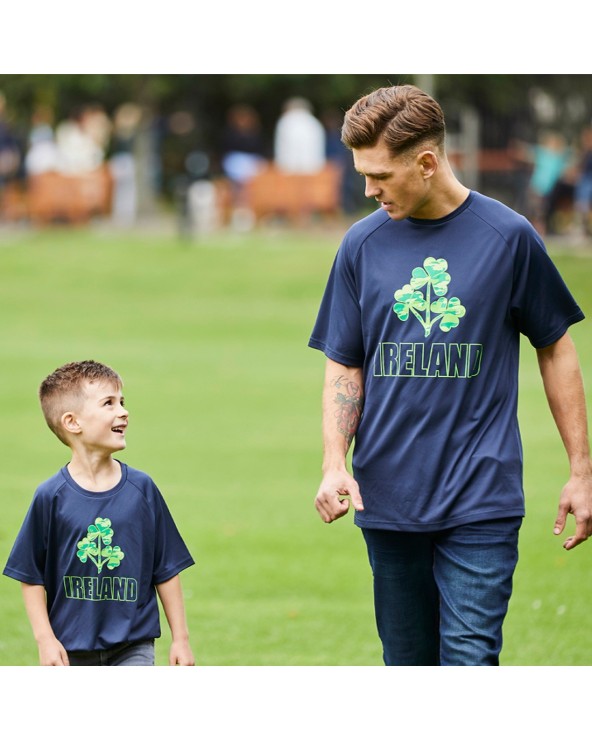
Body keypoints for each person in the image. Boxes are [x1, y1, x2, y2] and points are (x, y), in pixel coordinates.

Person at [308, 85, 592, 666]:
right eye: (363, 173)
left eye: (381, 174)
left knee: (469, 661)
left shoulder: (508, 237)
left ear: (428, 162)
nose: (368, 189)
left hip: (480, 498)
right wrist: (334, 462)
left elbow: (556, 348)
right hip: (385, 498)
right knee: (407, 665)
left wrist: (581, 471)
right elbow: (345, 362)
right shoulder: (360, 244)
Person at [3, 360, 195, 666]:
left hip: (133, 645)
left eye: (122, 401)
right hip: (71, 650)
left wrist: (181, 639)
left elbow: (167, 569)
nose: (123, 411)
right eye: (108, 403)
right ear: (72, 422)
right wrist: (45, 640)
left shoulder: (142, 490)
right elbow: (30, 575)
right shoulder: (50, 497)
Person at [273, 97, 326, 174]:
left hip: (287, 170)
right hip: (314, 169)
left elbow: (282, 150)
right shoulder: (314, 122)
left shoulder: (285, 121)